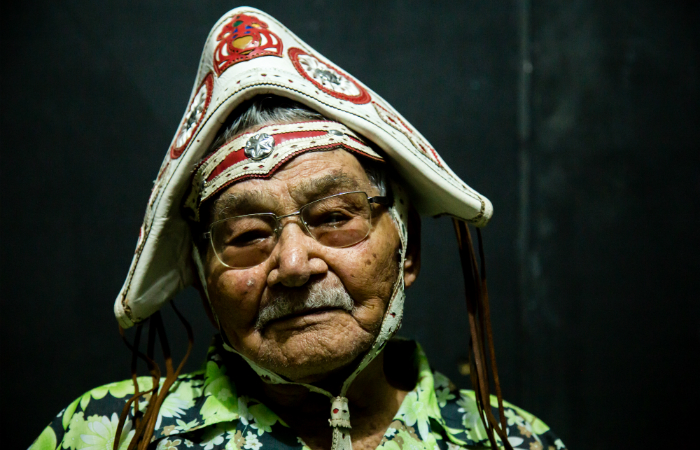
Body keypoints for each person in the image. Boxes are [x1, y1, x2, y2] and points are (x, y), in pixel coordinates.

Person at [30, 7, 567, 450]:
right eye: (246, 236)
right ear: (202, 277)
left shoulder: (514, 442)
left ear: (408, 251)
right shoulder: (105, 434)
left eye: (334, 217)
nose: (292, 265)